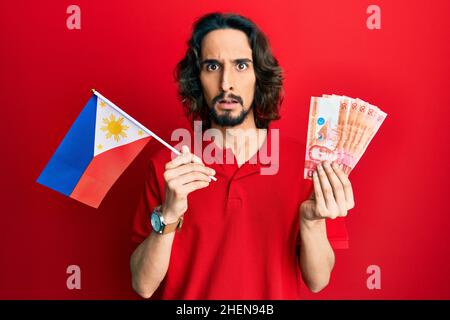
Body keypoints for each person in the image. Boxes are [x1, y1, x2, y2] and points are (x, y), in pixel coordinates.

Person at [130, 12, 354, 299]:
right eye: (212, 66)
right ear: (197, 78)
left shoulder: (307, 163)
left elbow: (318, 280)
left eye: (241, 65)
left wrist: (311, 221)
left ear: (259, 76)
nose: (226, 84)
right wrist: (169, 215)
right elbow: (143, 285)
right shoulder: (168, 166)